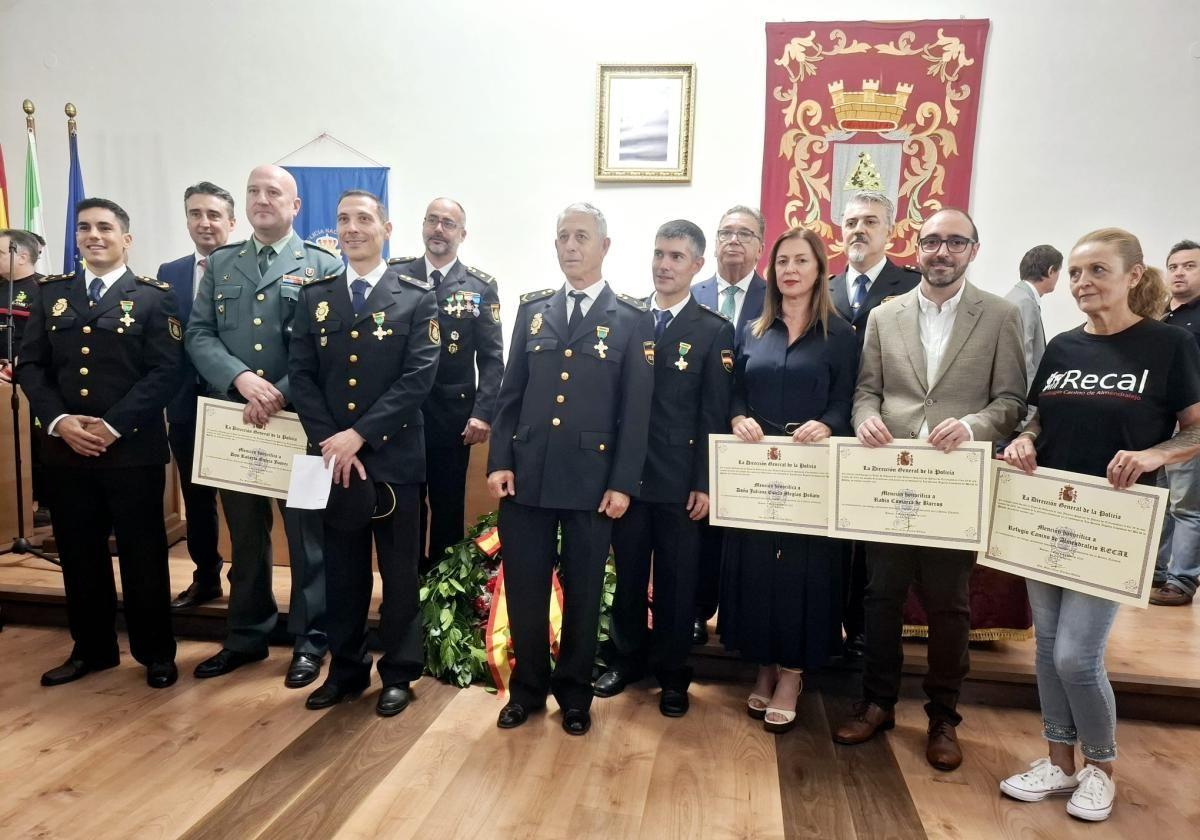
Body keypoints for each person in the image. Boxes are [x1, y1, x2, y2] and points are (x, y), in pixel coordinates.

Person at [999, 228, 1200, 822]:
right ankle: (1059, 764)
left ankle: (1101, 769)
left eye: (1098, 272)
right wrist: (1024, 442)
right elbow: (1040, 419)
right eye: (1078, 273)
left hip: (1113, 520)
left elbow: (1195, 427)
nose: (1084, 283)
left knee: (1077, 657)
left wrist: (1155, 456)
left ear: (1134, 276)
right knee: (1047, 652)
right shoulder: (1062, 347)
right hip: (1047, 511)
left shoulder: (1167, 346)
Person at [833, 208, 1025, 771]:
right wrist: (865, 417)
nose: (941, 252)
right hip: (890, 481)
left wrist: (971, 428)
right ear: (916, 247)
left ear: (973, 249)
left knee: (949, 607)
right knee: (880, 599)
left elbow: (1012, 401)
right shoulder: (884, 315)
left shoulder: (1000, 315)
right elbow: (867, 390)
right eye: (932, 241)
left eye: (954, 242)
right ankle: (878, 704)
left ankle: (944, 716)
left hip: (952, 483)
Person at [487, 202, 653, 735]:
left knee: (582, 597)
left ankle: (575, 695)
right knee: (527, 593)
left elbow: (636, 411)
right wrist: (498, 462)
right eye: (563, 236)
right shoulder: (533, 310)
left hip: (591, 484)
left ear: (605, 246)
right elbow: (509, 394)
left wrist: (623, 483)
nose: (571, 246)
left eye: (582, 236)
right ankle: (527, 691)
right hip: (527, 479)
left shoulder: (631, 318)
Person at [185, 165, 343, 688]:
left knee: (307, 537)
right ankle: (246, 635)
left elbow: (329, 344)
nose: (260, 199)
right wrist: (243, 380)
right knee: (247, 538)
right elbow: (200, 334)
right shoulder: (223, 263)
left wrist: (277, 390)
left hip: (301, 425)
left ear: (296, 206)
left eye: (273, 192)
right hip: (238, 420)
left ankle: (311, 639)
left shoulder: (321, 263)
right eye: (253, 191)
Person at [17, 198, 182, 688]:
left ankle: (156, 652)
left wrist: (112, 426)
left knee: (143, 554)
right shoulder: (53, 294)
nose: (94, 235)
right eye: (85, 228)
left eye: (105, 228)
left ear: (126, 239)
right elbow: (32, 366)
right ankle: (92, 648)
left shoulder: (154, 297)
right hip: (66, 452)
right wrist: (59, 420)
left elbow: (166, 371)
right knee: (79, 553)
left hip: (131, 451)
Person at [289, 190, 440, 716]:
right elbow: (302, 376)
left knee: (399, 574)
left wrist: (361, 435)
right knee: (342, 572)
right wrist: (333, 437)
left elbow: (419, 377)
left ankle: (399, 672)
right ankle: (347, 670)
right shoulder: (315, 296)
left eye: (363, 219)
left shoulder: (417, 296)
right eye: (343, 219)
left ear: (386, 228)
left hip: (392, 459)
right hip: (332, 460)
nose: (352, 228)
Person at [593, 219, 734, 717]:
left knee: (677, 583)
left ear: (698, 266)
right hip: (629, 480)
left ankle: (674, 674)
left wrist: (705, 481)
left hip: (679, 483)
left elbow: (713, 413)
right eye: (658, 253)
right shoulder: (627, 319)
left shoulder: (714, 330)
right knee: (628, 575)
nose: (664, 265)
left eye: (676, 256)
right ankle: (627, 660)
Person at [722, 228, 856, 732]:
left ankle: (793, 674)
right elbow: (734, 391)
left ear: (820, 269)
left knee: (804, 573)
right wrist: (737, 418)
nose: (790, 270)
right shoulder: (753, 328)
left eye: (801, 261)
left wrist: (831, 422)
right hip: (757, 472)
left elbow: (849, 398)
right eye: (782, 262)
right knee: (757, 570)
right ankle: (763, 665)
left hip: (811, 472)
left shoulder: (841, 334)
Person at [827, 191, 920, 657]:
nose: (859, 230)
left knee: (873, 541)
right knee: (832, 537)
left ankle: (864, 630)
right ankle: (827, 623)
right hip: (829, 430)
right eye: (851, 222)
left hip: (886, 432)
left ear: (890, 229)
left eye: (870, 222)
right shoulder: (823, 288)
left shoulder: (913, 285)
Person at [387, 198, 503, 571]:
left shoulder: (480, 286)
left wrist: (483, 413)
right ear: (422, 226)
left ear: (462, 234)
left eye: (448, 223)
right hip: (401, 413)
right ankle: (406, 586)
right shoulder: (396, 275)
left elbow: (490, 357)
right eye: (433, 221)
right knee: (404, 504)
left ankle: (440, 593)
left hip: (452, 418)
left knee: (448, 504)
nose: (439, 229)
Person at [689, 205, 768, 644]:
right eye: (725, 233)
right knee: (697, 528)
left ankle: (739, 618)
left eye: (744, 233)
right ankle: (698, 612)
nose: (733, 240)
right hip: (696, 432)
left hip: (751, 433)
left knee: (740, 531)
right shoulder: (691, 290)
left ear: (760, 245)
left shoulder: (776, 295)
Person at [157, 182, 237, 609]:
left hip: (238, 403)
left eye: (213, 215)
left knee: (246, 502)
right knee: (196, 497)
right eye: (195, 214)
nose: (204, 223)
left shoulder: (249, 267)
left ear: (231, 221)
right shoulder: (169, 272)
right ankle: (206, 576)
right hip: (187, 405)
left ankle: (247, 579)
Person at [1151, 239, 1200, 607]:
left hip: (1191, 423)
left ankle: (1182, 579)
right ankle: (1155, 571)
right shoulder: (1158, 314)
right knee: (1160, 498)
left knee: (1185, 504)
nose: (1179, 272)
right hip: (1156, 423)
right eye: (1174, 266)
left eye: (1190, 266)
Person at [1005, 244, 1062, 387]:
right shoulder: (1025, 302)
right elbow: (1024, 360)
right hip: (1023, 402)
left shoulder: (1017, 297)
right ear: (1051, 271)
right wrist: (1031, 407)